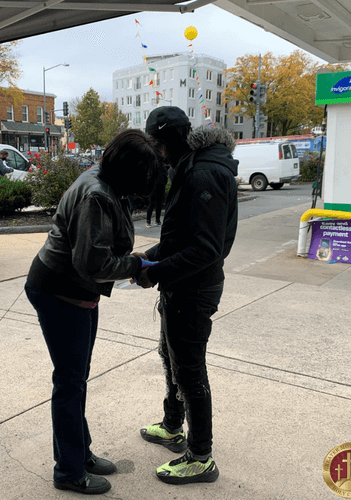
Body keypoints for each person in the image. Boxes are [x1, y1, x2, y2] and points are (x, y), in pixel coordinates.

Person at [24, 129, 164, 495]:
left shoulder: (106, 184)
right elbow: (92, 263)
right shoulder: (97, 195)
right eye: (144, 175)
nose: (147, 182)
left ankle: (78, 453)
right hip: (59, 292)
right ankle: (68, 471)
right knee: (69, 383)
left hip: (77, 294)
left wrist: (134, 264)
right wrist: (136, 266)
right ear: (128, 169)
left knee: (76, 379)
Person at [134, 107, 239, 485]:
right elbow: (181, 237)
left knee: (189, 370)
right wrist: (149, 258)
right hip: (183, 285)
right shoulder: (191, 167)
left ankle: (200, 456)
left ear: (171, 140)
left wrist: (156, 273)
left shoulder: (203, 173)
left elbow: (206, 248)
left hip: (194, 289)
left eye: (157, 144)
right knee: (171, 356)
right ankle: (173, 425)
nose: (156, 152)